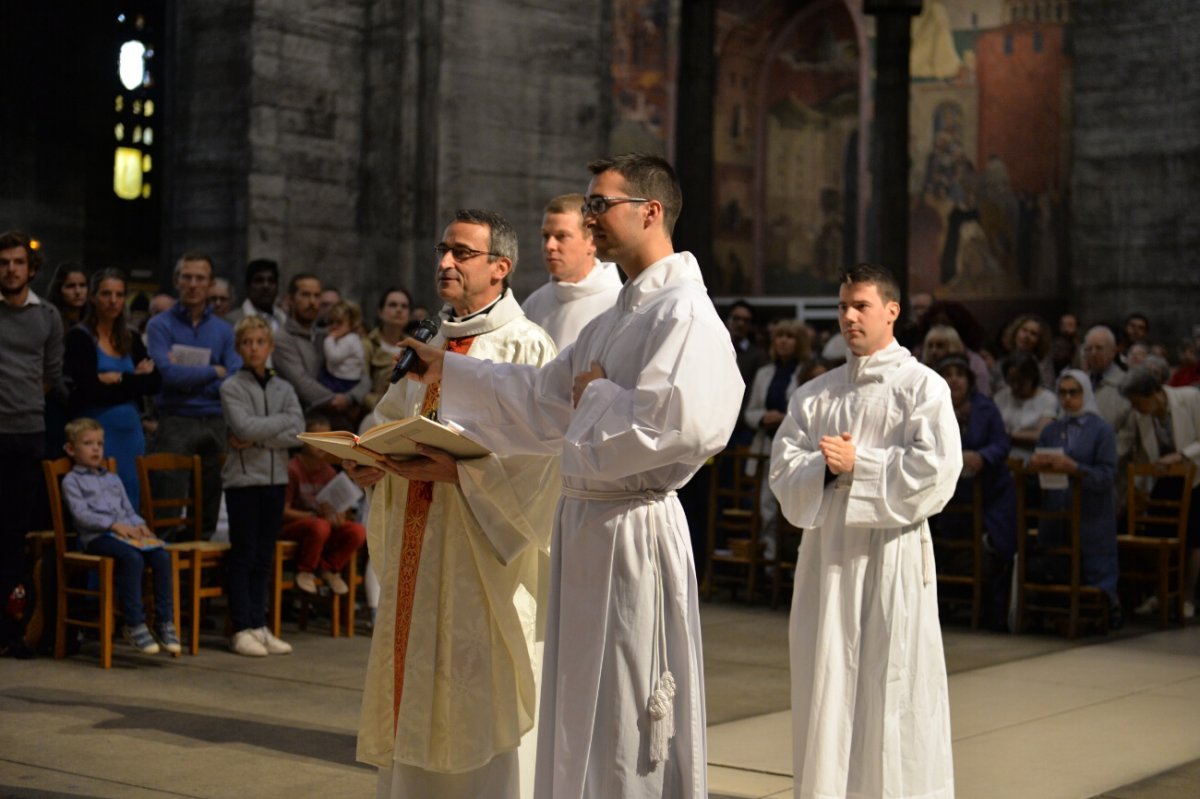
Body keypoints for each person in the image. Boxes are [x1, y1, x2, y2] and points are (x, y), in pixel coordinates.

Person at [388, 155, 744, 798]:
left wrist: (598, 399)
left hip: (635, 529)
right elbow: (545, 398)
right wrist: (451, 371)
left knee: (630, 703)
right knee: (580, 702)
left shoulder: (683, 312)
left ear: (651, 211)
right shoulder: (618, 316)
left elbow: (689, 427)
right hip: (586, 525)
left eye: (600, 205)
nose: (587, 217)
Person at [349, 209, 560, 799]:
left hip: (480, 552)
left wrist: (463, 475)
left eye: (461, 253)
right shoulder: (431, 340)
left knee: (475, 689)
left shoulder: (525, 346)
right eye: (444, 249)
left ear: (500, 267)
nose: (444, 261)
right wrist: (366, 456)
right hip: (420, 537)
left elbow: (543, 459)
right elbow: (390, 417)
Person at [769, 263, 961, 799]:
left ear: (892, 311)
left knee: (890, 687)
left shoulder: (922, 387)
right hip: (827, 558)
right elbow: (783, 473)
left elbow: (938, 472)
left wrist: (862, 465)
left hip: (891, 558)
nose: (848, 317)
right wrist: (825, 469)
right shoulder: (815, 395)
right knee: (825, 684)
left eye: (861, 306)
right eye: (842, 307)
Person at [219, 316, 304, 656]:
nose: (254, 348)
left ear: (269, 347)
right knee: (244, 554)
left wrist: (258, 440)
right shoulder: (231, 387)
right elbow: (242, 426)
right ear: (239, 348)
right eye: (247, 343)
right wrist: (267, 435)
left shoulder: (284, 387)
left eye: (260, 342)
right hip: (244, 482)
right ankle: (241, 628)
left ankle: (259, 624)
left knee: (264, 556)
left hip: (275, 479)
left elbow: (297, 428)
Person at [60, 417, 181, 655]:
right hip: (97, 538)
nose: (95, 449)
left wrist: (140, 525)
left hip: (123, 535)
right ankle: (134, 622)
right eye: (88, 443)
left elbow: (128, 510)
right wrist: (113, 525)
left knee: (160, 556)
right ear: (71, 449)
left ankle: (164, 621)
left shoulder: (112, 478)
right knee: (132, 559)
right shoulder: (72, 481)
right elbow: (81, 515)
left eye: (99, 444)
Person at [0, 230, 64, 659]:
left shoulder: (48, 316)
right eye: (3, 262)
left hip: (27, 432)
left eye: (17, 262)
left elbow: (51, 376)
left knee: (13, 533)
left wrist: (22, 402)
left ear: (31, 268)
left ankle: (11, 627)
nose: (10, 269)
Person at [145, 253, 241, 536]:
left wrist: (190, 378)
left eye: (200, 278)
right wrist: (214, 371)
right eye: (187, 277)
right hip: (176, 420)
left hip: (215, 421)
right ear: (177, 281)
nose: (193, 284)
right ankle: (166, 572)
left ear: (211, 285)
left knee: (208, 504)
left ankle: (197, 576)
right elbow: (169, 375)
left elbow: (233, 377)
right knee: (168, 503)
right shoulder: (160, 325)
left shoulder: (224, 330)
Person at [64, 268, 162, 509]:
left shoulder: (131, 337)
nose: (113, 300)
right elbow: (89, 390)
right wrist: (133, 379)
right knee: (98, 501)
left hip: (130, 431)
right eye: (106, 294)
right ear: (93, 297)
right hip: (95, 431)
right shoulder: (80, 337)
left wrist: (117, 378)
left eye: (119, 294)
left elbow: (154, 382)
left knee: (130, 495)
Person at [1030, 370, 1121, 625]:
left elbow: (1106, 474)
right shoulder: (1052, 430)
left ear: (1086, 394)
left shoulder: (1101, 430)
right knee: (1053, 563)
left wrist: (1074, 467)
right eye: (1063, 392)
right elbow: (1035, 464)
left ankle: (1103, 610)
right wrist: (1037, 463)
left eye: (1074, 392)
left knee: (1094, 569)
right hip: (1057, 512)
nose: (1067, 398)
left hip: (1090, 514)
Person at [1120, 367, 1200, 620]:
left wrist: (1183, 454)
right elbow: (1134, 449)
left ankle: (1187, 597)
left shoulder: (1189, 398)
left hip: (1196, 476)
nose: (1136, 408)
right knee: (1155, 533)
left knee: (1193, 538)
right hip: (1164, 480)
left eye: (1138, 401)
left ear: (1154, 393)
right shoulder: (1140, 416)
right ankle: (1161, 592)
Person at [744, 319, 810, 561]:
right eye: (779, 335)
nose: (783, 341)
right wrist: (763, 417)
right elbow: (749, 411)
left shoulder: (806, 372)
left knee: (794, 508)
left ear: (799, 342)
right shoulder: (764, 373)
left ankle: (792, 565)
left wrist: (785, 418)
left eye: (789, 336)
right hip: (766, 447)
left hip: (795, 449)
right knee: (767, 508)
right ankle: (769, 565)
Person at [521, 192, 622, 349]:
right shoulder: (534, 304)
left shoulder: (618, 304)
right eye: (545, 236)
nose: (549, 246)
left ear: (592, 242)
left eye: (561, 236)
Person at [282, 414, 367, 595]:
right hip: (295, 527)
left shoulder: (328, 471)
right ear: (305, 440)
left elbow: (336, 507)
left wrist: (338, 515)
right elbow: (283, 511)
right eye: (316, 439)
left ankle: (328, 568)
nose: (321, 445)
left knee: (357, 531)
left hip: (323, 526)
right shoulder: (292, 468)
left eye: (326, 439)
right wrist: (315, 516)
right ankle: (305, 571)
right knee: (320, 526)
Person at [272, 274, 369, 430]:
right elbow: (301, 382)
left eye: (317, 296)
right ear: (290, 299)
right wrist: (335, 400)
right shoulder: (282, 338)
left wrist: (349, 398)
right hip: (300, 421)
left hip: (337, 415)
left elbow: (362, 374)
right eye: (305, 295)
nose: (312, 302)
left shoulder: (327, 335)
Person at [993, 351, 1058, 462]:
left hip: (1034, 456)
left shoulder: (1048, 399)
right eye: (1011, 381)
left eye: (1021, 381)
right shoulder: (1001, 396)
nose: (1016, 386)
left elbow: (1041, 435)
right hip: (1002, 453)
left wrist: (1011, 435)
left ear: (1032, 377)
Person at [363, 287, 414, 411]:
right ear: (380, 312)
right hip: (376, 410)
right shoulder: (368, 345)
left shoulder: (415, 346)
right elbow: (360, 390)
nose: (399, 310)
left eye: (404, 306)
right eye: (392, 305)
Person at [726, 299, 769, 446]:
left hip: (742, 428)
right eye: (736, 318)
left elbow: (754, 393)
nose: (740, 324)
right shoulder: (718, 349)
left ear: (750, 325)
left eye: (745, 320)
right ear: (728, 320)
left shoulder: (758, 355)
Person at [1082, 325, 1131, 448]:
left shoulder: (1127, 384)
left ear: (1114, 351)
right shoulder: (1079, 382)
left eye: (1099, 348)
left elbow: (1128, 435)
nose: (1093, 353)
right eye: (1089, 349)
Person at [318, 300, 366, 398]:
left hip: (342, 382)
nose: (334, 326)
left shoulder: (349, 340)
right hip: (342, 379)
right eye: (331, 322)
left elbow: (333, 357)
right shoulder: (350, 338)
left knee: (320, 379)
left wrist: (329, 338)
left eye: (339, 322)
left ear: (351, 324)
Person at [226, 258, 287, 331]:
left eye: (271, 281)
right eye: (259, 281)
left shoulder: (284, 319)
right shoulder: (231, 322)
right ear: (248, 287)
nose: (266, 286)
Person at [1001, 313, 1056, 389]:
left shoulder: (1043, 364)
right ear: (1016, 331)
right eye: (1024, 330)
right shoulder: (1004, 360)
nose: (1027, 336)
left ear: (1040, 340)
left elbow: (1048, 389)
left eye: (1033, 334)